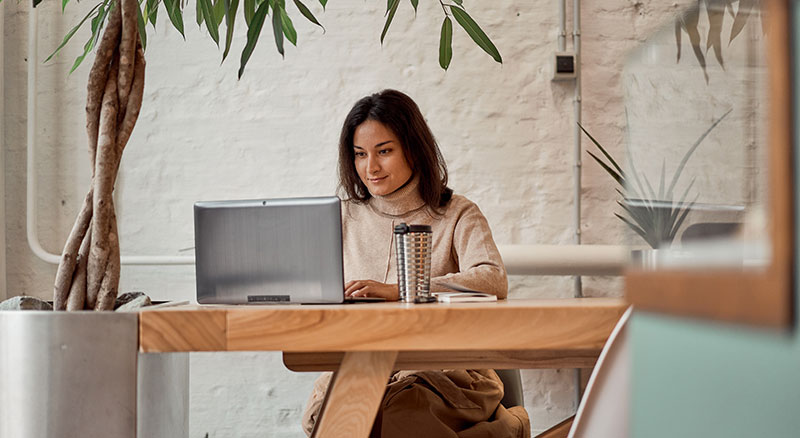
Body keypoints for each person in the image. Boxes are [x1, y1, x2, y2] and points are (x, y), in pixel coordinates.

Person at [302, 90, 530, 438]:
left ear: (413, 147)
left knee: (401, 414)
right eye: (360, 154)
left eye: (384, 151)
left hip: (450, 372)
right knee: (329, 416)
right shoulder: (342, 217)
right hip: (365, 367)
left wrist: (401, 290)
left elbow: (493, 278)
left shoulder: (457, 212)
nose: (371, 167)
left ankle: (507, 427)